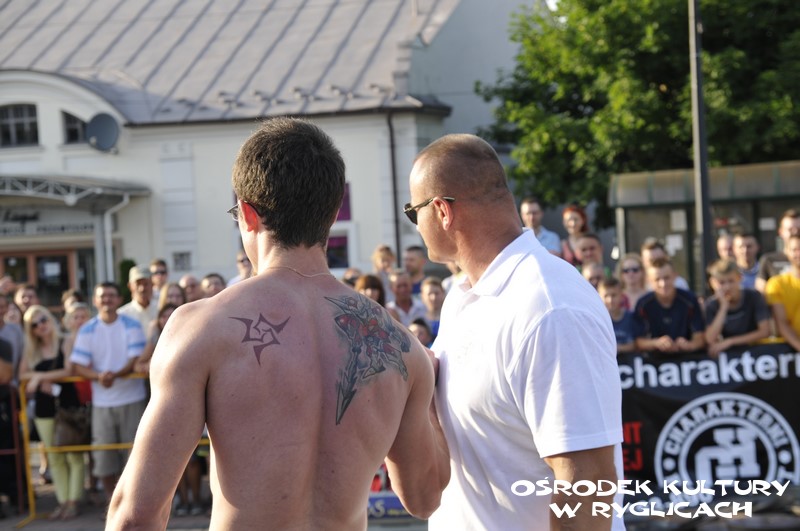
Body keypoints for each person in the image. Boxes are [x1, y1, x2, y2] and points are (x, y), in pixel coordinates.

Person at [107, 117, 449, 528]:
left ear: (247, 214)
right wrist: (430, 394)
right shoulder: (399, 346)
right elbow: (425, 498)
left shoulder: (202, 328)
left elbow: (135, 516)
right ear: (331, 214)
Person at [407, 133, 622, 529]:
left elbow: (588, 482)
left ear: (441, 211)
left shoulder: (550, 308)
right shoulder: (463, 296)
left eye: (413, 211)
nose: (415, 226)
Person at [71, 282, 147, 505]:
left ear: (119, 299)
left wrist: (111, 375)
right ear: (95, 300)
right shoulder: (87, 329)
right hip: (102, 403)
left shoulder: (132, 325)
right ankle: (110, 502)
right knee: (103, 457)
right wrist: (99, 376)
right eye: (102, 296)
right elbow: (78, 365)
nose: (107, 299)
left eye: (111, 295)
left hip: (132, 399)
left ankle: (132, 502)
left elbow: (135, 360)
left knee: (134, 456)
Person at [18, 306, 83, 520]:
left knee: (74, 454)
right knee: (54, 456)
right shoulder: (31, 349)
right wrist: (38, 378)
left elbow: (69, 370)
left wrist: (40, 377)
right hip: (44, 407)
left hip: (68, 404)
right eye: (34, 324)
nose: (41, 326)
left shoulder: (66, 341)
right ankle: (63, 501)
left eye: (43, 320)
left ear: (50, 319)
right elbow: (22, 375)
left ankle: (74, 501)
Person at [633, 257, 706, 355]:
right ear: (649, 280)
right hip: (653, 359)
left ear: (675, 276)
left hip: (687, 358)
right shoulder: (643, 304)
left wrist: (689, 345)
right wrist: (656, 343)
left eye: (666, 278)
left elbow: (700, 337)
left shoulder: (690, 300)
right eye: (657, 279)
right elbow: (638, 341)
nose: (663, 284)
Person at [704, 259, 770, 358]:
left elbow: (765, 331)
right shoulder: (711, 305)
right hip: (729, 358)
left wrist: (730, 341)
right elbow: (710, 339)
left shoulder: (754, 296)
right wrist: (723, 308)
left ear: (739, 278)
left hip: (756, 353)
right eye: (721, 283)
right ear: (713, 283)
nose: (727, 287)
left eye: (731, 281)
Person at [765, 233, 800, 352]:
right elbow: (781, 323)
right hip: (787, 352)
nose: (798, 254)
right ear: (786, 252)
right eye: (795, 250)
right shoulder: (776, 284)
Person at [756, 209, 800, 292]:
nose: (795, 233)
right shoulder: (768, 260)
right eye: (790, 229)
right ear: (781, 232)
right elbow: (760, 292)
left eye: (799, 229)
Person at [598, 278, 637, 354]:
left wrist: (616, 348)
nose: (610, 300)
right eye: (606, 296)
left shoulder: (631, 317)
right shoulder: (598, 320)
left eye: (614, 295)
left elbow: (635, 344)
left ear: (621, 296)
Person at [118, 265, 156, 332]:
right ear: (130, 286)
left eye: (146, 284)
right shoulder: (122, 315)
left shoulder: (161, 310)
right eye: (138, 284)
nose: (142, 289)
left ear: (152, 284)